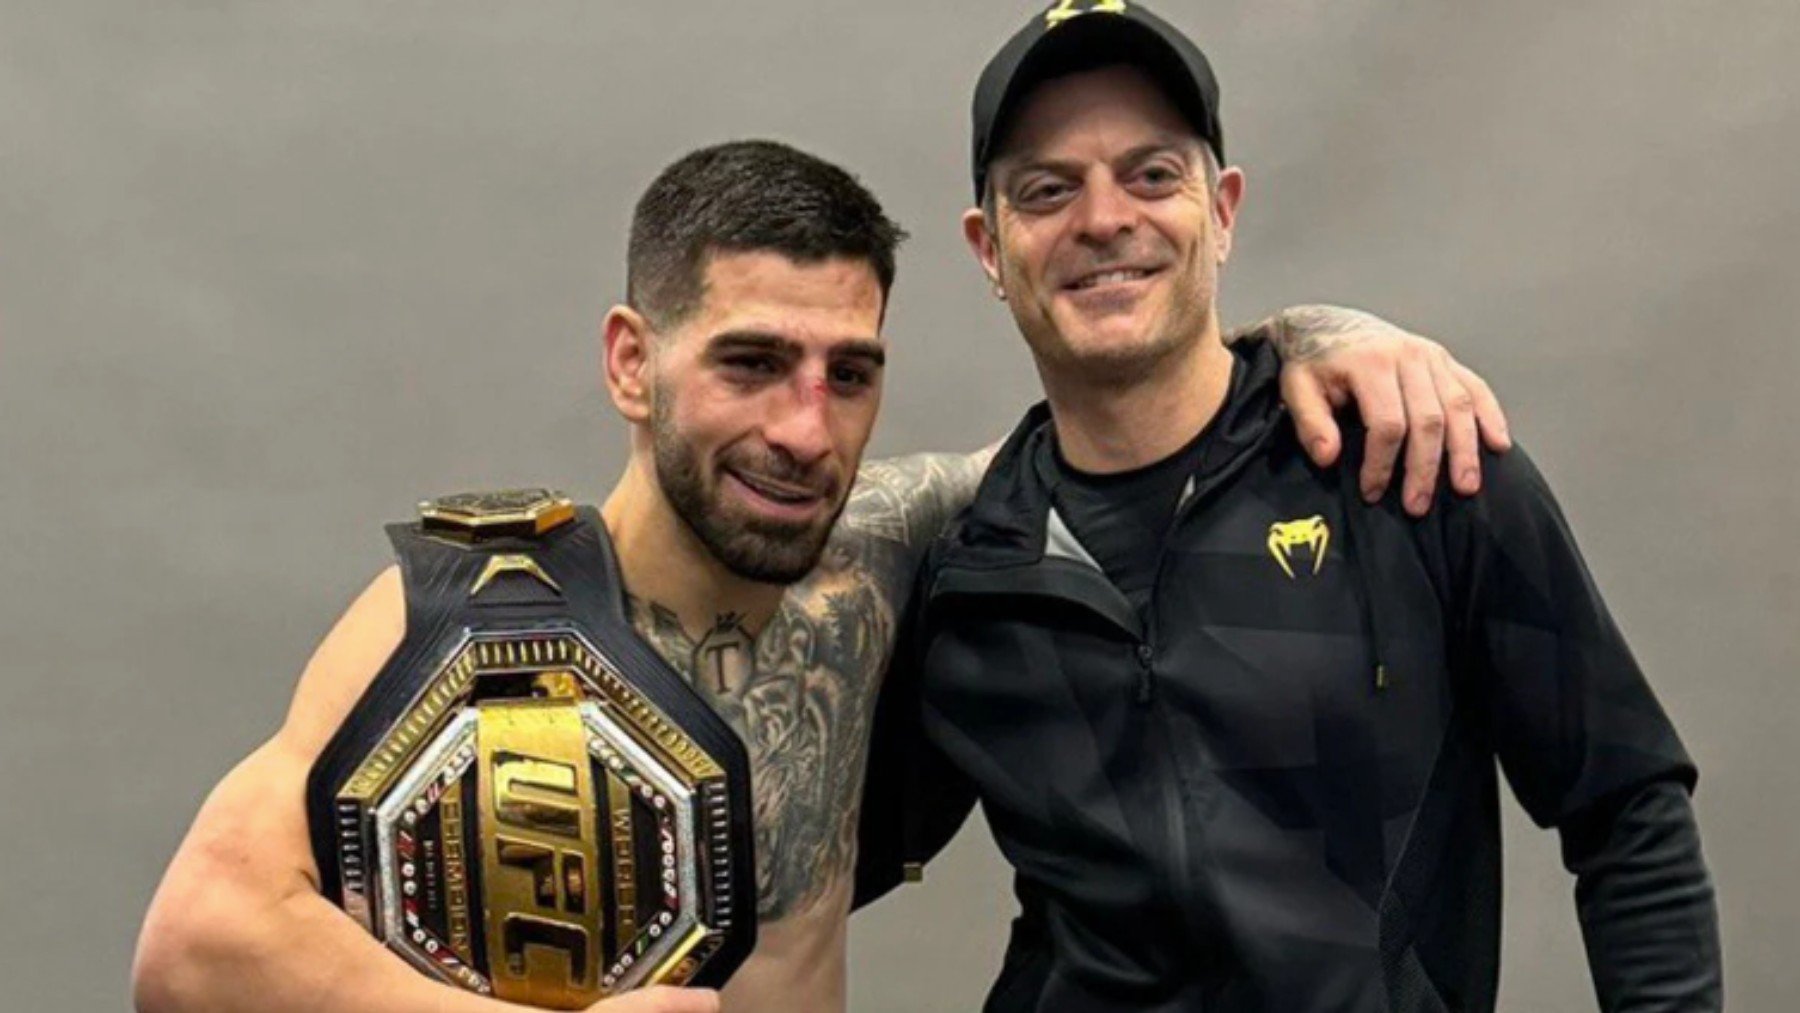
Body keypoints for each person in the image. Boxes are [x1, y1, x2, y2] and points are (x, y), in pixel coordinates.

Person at [130, 135, 1507, 1013]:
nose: (804, 430)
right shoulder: (477, 609)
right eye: (749, 362)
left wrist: (1327, 334)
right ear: (632, 361)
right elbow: (196, 936)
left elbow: (1137, 410)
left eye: (848, 375)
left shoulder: (887, 550)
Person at [855, 5, 1723, 1011]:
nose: (1102, 219)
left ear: (1221, 210)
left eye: (1151, 174)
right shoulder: (969, 568)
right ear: (989, 248)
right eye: (1048, 190)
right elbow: (823, 866)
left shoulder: (1412, 467)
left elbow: (1627, 807)